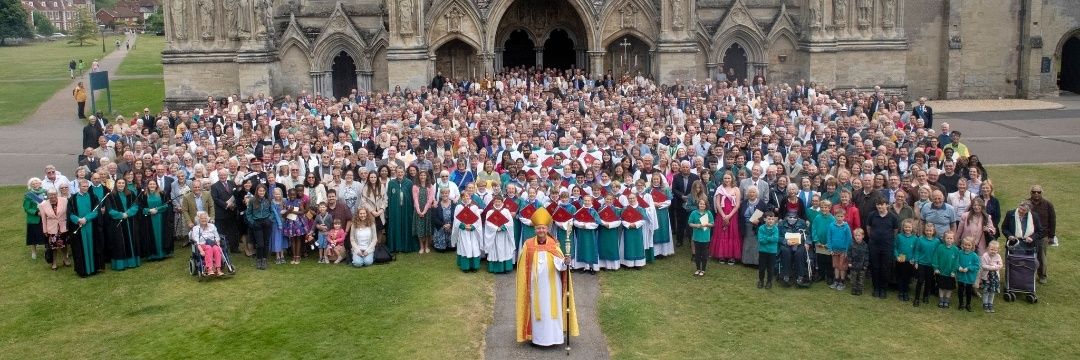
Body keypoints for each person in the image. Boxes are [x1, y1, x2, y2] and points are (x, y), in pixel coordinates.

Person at [515, 207, 579, 347]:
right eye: (538, 228)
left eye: (543, 228)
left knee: (551, 309)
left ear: (547, 229)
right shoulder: (528, 244)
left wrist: (565, 262)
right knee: (537, 308)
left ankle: (554, 338)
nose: (541, 231)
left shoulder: (553, 244)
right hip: (534, 284)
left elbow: (560, 264)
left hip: (553, 285)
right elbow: (522, 265)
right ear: (535, 229)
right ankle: (537, 338)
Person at [865, 199, 898, 299]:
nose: (880, 207)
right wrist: (874, 238)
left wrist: (887, 239)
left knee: (885, 268)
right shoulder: (872, 215)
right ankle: (876, 288)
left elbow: (895, 231)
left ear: (887, 205)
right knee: (875, 267)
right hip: (874, 245)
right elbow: (868, 228)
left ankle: (883, 289)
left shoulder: (893, 217)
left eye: (882, 205)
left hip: (887, 246)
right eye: (878, 205)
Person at [105, 178, 141, 270]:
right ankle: (121, 264)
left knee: (131, 241)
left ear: (125, 184)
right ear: (116, 184)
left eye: (123, 183)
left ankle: (132, 262)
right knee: (119, 243)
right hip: (117, 223)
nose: (121, 184)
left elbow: (136, 206)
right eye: (119, 183)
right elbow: (109, 210)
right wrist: (121, 215)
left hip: (130, 222)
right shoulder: (110, 196)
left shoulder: (131, 194)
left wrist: (127, 213)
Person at [68, 179, 101, 277]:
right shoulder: (72, 199)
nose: (85, 188)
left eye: (87, 186)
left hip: (91, 226)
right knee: (80, 249)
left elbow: (96, 210)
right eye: (83, 186)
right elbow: (69, 213)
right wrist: (78, 220)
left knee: (92, 246)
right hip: (79, 227)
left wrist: (86, 218)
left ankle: (93, 269)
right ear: (79, 187)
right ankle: (83, 270)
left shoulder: (93, 197)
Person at [711, 173, 742, 263]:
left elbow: (737, 205)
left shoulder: (736, 189)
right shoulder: (719, 189)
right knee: (722, 234)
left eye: (729, 178)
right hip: (721, 215)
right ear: (723, 179)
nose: (727, 180)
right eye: (725, 178)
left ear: (732, 178)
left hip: (732, 215)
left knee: (732, 234)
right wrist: (724, 215)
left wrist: (729, 216)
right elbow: (717, 203)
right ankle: (722, 255)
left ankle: (731, 256)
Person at [139, 179, 173, 260]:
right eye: (150, 184)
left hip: (161, 218)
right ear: (147, 185)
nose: (152, 186)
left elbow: (166, 205)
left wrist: (157, 209)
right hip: (149, 220)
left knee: (162, 235)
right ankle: (153, 255)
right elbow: (141, 207)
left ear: (156, 185)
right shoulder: (144, 195)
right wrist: (149, 210)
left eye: (154, 184)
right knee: (151, 236)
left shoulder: (162, 193)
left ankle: (163, 253)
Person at [1027, 184, 1056, 279]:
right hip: (1028, 236)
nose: (1036, 194)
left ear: (1041, 193)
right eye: (1034, 192)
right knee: (1028, 256)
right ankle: (1028, 275)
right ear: (1031, 193)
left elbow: (1052, 220)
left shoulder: (1048, 204)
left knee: (1041, 257)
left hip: (1043, 236)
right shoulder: (1026, 203)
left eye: (1038, 192)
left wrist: (1051, 236)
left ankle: (1042, 276)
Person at [386, 167, 416, 253]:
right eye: (398, 172)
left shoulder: (409, 183)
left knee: (406, 226)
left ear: (404, 173)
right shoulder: (391, 183)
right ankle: (396, 247)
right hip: (395, 209)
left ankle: (406, 246)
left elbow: (411, 196)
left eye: (401, 172)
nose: (400, 174)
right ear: (395, 173)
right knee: (396, 226)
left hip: (407, 209)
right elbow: (389, 196)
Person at [245, 184, 275, 270]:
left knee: (266, 243)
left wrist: (269, 219)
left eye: (263, 191)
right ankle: (259, 259)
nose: (261, 192)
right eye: (260, 191)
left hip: (266, 223)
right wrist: (253, 222)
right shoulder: (252, 200)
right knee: (260, 244)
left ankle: (264, 260)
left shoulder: (268, 200)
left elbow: (272, 212)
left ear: (265, 192)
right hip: (257, 223)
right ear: (257, 191)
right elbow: (248, 213)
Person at [484, 195, 516, 273]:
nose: (497, 203)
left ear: (502, 202)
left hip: (504, 235)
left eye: (499, 201)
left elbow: (510, 223)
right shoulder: (490, 212)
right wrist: (496, 228)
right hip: (494, 235)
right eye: (496, 201)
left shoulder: (506, 211)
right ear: (493, 202)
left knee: (505, 249)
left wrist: (503, 227)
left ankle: (506, 268)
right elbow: (488, 223)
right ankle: (495, 268)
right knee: (495, 250)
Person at [39, 190, 69, 270]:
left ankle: (65, 260)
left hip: (63, 227)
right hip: (52, 229)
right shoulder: (43, 205)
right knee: (53, 247)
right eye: (50, 195)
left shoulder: (64, 200)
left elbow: (67, 213)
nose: (52, 196)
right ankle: (54, 263)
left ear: (57, 194)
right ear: (47, 195)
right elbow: (43, 219)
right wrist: (45, 230)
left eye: (54, 194)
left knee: (64, 245)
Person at [452, 194, 483, 272]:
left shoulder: (474, 207)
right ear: (462, 198)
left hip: (472, 231)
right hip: (463, 231)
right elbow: (456, 219)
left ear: (470, 197)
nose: (467, 198)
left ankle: (474, 266)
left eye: (468, 196)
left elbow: (478, 219)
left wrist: (472, 226)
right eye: (465, 196)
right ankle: (465, 267)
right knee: (465, 247)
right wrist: (463, 226)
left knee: (473, 247)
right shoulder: (459, 207)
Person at [190, 211, 225, 276]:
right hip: (202, 245)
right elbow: (197, 242)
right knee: (208, 248)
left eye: (205, 218)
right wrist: (201, 251)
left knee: (217, 249)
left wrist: (217, 241)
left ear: (207, 219)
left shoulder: (212, 226)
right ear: (198, 219)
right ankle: (209, 269)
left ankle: (218, 269)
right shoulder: (196, 228)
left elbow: (217, 236)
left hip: (212, 244)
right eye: (202, 218)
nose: (204, 220)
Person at [912, 223, 939, 307]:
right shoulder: (920, 239)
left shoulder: (937, 241)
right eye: (927, 230)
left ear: (933, 231)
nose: (929, 232)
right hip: (921, 263)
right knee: (920, 281)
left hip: (931, 265)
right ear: (924, 230)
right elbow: (917, 251)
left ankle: (925, 296)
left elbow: (937, 254)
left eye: (930, 230)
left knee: (929, 282)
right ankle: (916, 298)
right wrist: (916, 261)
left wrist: (936, 267)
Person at [932, 231, 960, 309]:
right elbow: (935, 257)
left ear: (953, 239)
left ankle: (947, 300)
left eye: (951, 238)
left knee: (949, 287)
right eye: (947, 238)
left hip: (950, 273)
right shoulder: (940, 247)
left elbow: (957, 261)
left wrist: (954, 271)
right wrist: (936, 268)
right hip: (941, 272)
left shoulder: (956, 249)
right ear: (944, 238)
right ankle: (941, 300)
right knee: (941, 287)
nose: (949, 240)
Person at [282, 188, 310, 264]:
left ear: (296, 195)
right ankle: (294, 256)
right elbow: (283, 216)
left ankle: (298, 256)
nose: (292, 196)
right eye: (290, 194)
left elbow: (303, 212)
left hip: (298, 224)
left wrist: (293, 211)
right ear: (288, 194)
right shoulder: (286, 202)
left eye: (294, 194)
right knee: (292, 240)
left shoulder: (298, 201)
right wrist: (288, 211)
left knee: (298, 239)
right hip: (289, 224)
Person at [827, 208, 852, 291]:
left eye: (841, 216)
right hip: (834, 250)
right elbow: (829, 238)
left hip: (843, 251)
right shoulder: (831, 225)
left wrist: (846, 251)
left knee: (842, 267)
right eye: (838, 216)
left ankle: (842, 282)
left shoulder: (846, 227)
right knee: (836, 266)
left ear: (844, 217)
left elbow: (849, 239)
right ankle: (836, 280)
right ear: (835, 216)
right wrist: (830, 249)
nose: (839, 218)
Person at [894, 219, 918, 302]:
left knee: (907, 278)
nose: (907, 229)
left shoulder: (915, 238)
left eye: (909, 227)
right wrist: (896, 256)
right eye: (906, 227)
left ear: (912, 228)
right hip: (900, 261)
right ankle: (901, 292)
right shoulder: (899, 236)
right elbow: (895, 247)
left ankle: (906, 292)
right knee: (900, 277)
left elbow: (916, 250)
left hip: (909, 262)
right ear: (903, 227)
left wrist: (914, 259)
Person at [955, 237, 981, 312]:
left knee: (968, 291)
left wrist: (969, 268)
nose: (967, 247)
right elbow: (955, 262)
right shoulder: (959, 253)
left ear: (972, 246)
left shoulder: (974, 255)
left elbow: (977, 266)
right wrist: (958, 267)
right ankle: (960, 303)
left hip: (969, 277)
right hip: (961, 276)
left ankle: (968, 304)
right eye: (965, 245)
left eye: (969, 245)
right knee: (960, 290)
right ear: (962, 245)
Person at [689, 199, 713, 276]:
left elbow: (712, 223)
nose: (702, 205)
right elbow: (690, 223)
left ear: (706, 205)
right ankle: (698, 269)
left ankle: (703, 270)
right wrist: (697, 225)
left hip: (705, 237)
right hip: (696, 236)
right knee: (697, 254)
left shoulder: (708, 213)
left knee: (704, 253)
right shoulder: (694, 213)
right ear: (698, 204)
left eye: (704, 204)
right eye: (700, 204)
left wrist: (707, 224)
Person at [413, 170, 435, 254]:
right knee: (420, 229)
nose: (422, 177)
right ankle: (421, 246)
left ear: (427, 177)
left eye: (424, 175)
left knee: (427, 229)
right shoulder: (415, 186)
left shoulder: (430, 186)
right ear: (418, 176)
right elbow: (415, 199)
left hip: (427, 210)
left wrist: (424, 211)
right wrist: (419, 211)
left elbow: (430, 200)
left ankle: (426, 246)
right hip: (418, 210)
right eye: (421, 175)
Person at [24, 178, 47, 260]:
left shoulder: (45, 192)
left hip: (45, 217)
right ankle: (34, 251)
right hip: (33, 218)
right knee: (32, 236)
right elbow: (27, 208)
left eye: (36, 183)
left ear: (40, 183)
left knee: (45, 234)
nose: (35, 184)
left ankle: (46, 250)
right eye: (33, 184)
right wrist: (36, 212)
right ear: (30, 185)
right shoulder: (28, 194)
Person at [756, 212, 780, 289]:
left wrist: (766, 238)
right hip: (763, 251)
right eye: (769, 219)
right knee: (762, 268)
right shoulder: (761, 228)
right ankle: (761, 281)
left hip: (772, 252)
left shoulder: (776, 229)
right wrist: (770, 238)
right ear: (765, 219)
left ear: (774, 220)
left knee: (771, 268)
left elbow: (776, 239)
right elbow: (760, 240)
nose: (770, 221)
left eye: (772, 219)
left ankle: (769, 282)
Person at [979, 240, 1003, 313]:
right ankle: (985, 304)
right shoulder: (985, 256)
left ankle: (990, 304)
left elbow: (1001, 265)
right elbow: (983, 266)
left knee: (992, 291)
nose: (993, 251)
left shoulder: (998, 256)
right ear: (988, 248)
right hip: (986, 277)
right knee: (986, 291)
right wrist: (993, 267)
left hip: (994, 278)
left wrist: (994, 266)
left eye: (995, 250)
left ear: (998, 250)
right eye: (991, 249)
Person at [847, 229, 869, 296]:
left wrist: (865, 265)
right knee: (853, 279)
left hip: (862, 266)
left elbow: (867, 256)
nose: (857, 237)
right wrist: (850, 262)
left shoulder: (865, 245)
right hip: (853, 265)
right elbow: (849, 254)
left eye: (859, 235)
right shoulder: (851, 244)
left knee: (861, 279)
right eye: (855, 235)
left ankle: (859, 290)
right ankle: (854, 289)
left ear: (862, 236)